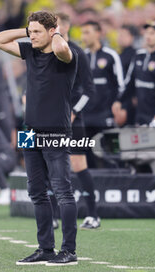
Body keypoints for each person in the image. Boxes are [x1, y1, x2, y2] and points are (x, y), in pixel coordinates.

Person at [0, 11, 78, 266]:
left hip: (56, 131)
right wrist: (26, 31)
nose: (33, 36)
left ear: (53, 31)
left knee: (62, 191)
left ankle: (69, 251)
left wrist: (56, 32)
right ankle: (45, 249)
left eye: (38, 32)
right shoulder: (30, 51)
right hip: (30, 131)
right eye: (32, 31)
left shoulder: (67, 54)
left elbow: (61, 46)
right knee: (37, 192)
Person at [52, 12, 99, 229]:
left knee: (79, 165)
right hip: (49, 118)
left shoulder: (78, 52)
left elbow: (89, 89)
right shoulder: (45, 52)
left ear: (66, 27)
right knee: (48, 163)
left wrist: (74, 112)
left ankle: (93, 215)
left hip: (73, 120)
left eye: (54, 25)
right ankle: (51, 216)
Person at [81, 20, 125, 167]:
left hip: (106, 114)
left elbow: (120, 84)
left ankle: (118, 183)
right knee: (86, 157)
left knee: (113, 155)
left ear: (98, 33)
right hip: (86, 115)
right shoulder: (82, 57)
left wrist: (117, 103)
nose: (83, 37)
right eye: (82, 33)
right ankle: (91, 189)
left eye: (87, 32)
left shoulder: (111, 55)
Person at [113, 21, 155, 125]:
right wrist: (119, 100)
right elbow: (129, 82)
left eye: (152, 33)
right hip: (139, 112)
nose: (148, 36)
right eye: (147, 33)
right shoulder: (138, 55)